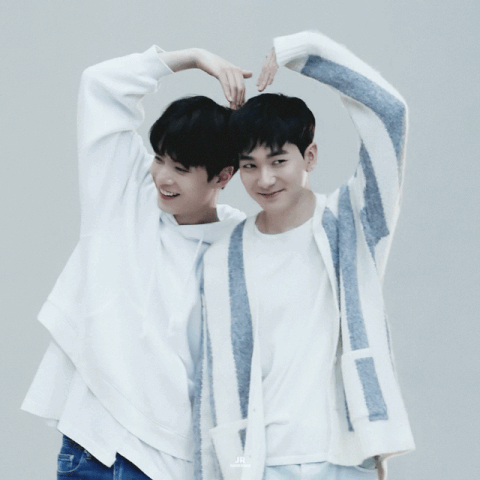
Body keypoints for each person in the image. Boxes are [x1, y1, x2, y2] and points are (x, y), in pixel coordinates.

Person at [21, 45, 251, 479]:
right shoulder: (125, 194)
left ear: (223, 175)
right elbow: (100, 84)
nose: (162, 176)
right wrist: (194, 57)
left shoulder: (241, 246)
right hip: (93, 448)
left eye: (181, 168)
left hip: (172, 464)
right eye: (159, 158)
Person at [194, 30, 415, 480]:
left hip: (345, 460)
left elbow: (390, 114)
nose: (265, 179)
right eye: (250, 166)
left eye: (279, 161)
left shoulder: (353, 223)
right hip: (260, 467)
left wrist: (307, 50)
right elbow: (216, 391)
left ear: (309, 157)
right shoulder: (224, 257)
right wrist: (230, 472)